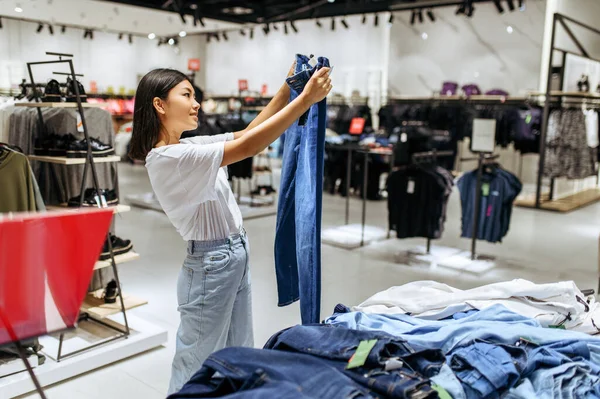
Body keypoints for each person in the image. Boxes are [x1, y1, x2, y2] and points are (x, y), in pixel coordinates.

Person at [128, 64, 332, 394]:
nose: (197, 104)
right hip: (212, 264)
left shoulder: (188, 147)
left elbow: (249, 133)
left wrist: (287, 89)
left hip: (232, 256)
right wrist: (305, 99)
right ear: (159, 104)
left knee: (239, 353)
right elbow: (250, 147)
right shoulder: (168, 158)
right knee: (195, 361)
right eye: (187, 95)